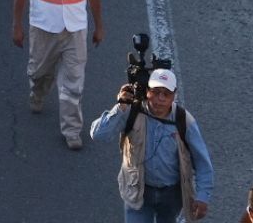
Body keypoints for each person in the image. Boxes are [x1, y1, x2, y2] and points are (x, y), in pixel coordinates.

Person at [10, 0, 104, 151]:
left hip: (75, 30)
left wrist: (99, 26)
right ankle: (38, 92)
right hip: (44, 29)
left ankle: (71, 131)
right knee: (40, 71)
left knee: (74, 82)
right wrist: (17, 26)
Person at [90, 67, 215, 222]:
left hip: (172, 196)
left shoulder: (184, 120)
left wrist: (203, 197)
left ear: (174, 95)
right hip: (137, 191)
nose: (160, 99)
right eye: (156, 92)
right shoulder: (131, 110)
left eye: (166, 94)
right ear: (147, 91)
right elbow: (99, 135)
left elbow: (202, 162)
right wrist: (121, 106)